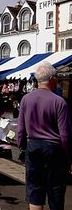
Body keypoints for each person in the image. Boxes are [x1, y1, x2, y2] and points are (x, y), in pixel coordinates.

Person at [17, 61, 72, 210]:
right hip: (54, 150)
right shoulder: (59, 102)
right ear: (52, 79)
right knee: (55, 191)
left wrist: (21, 148)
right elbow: (65, 134)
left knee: (35, 191)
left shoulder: (26, 99)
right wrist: (69, 157)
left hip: (33, 147)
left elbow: (20, 129)